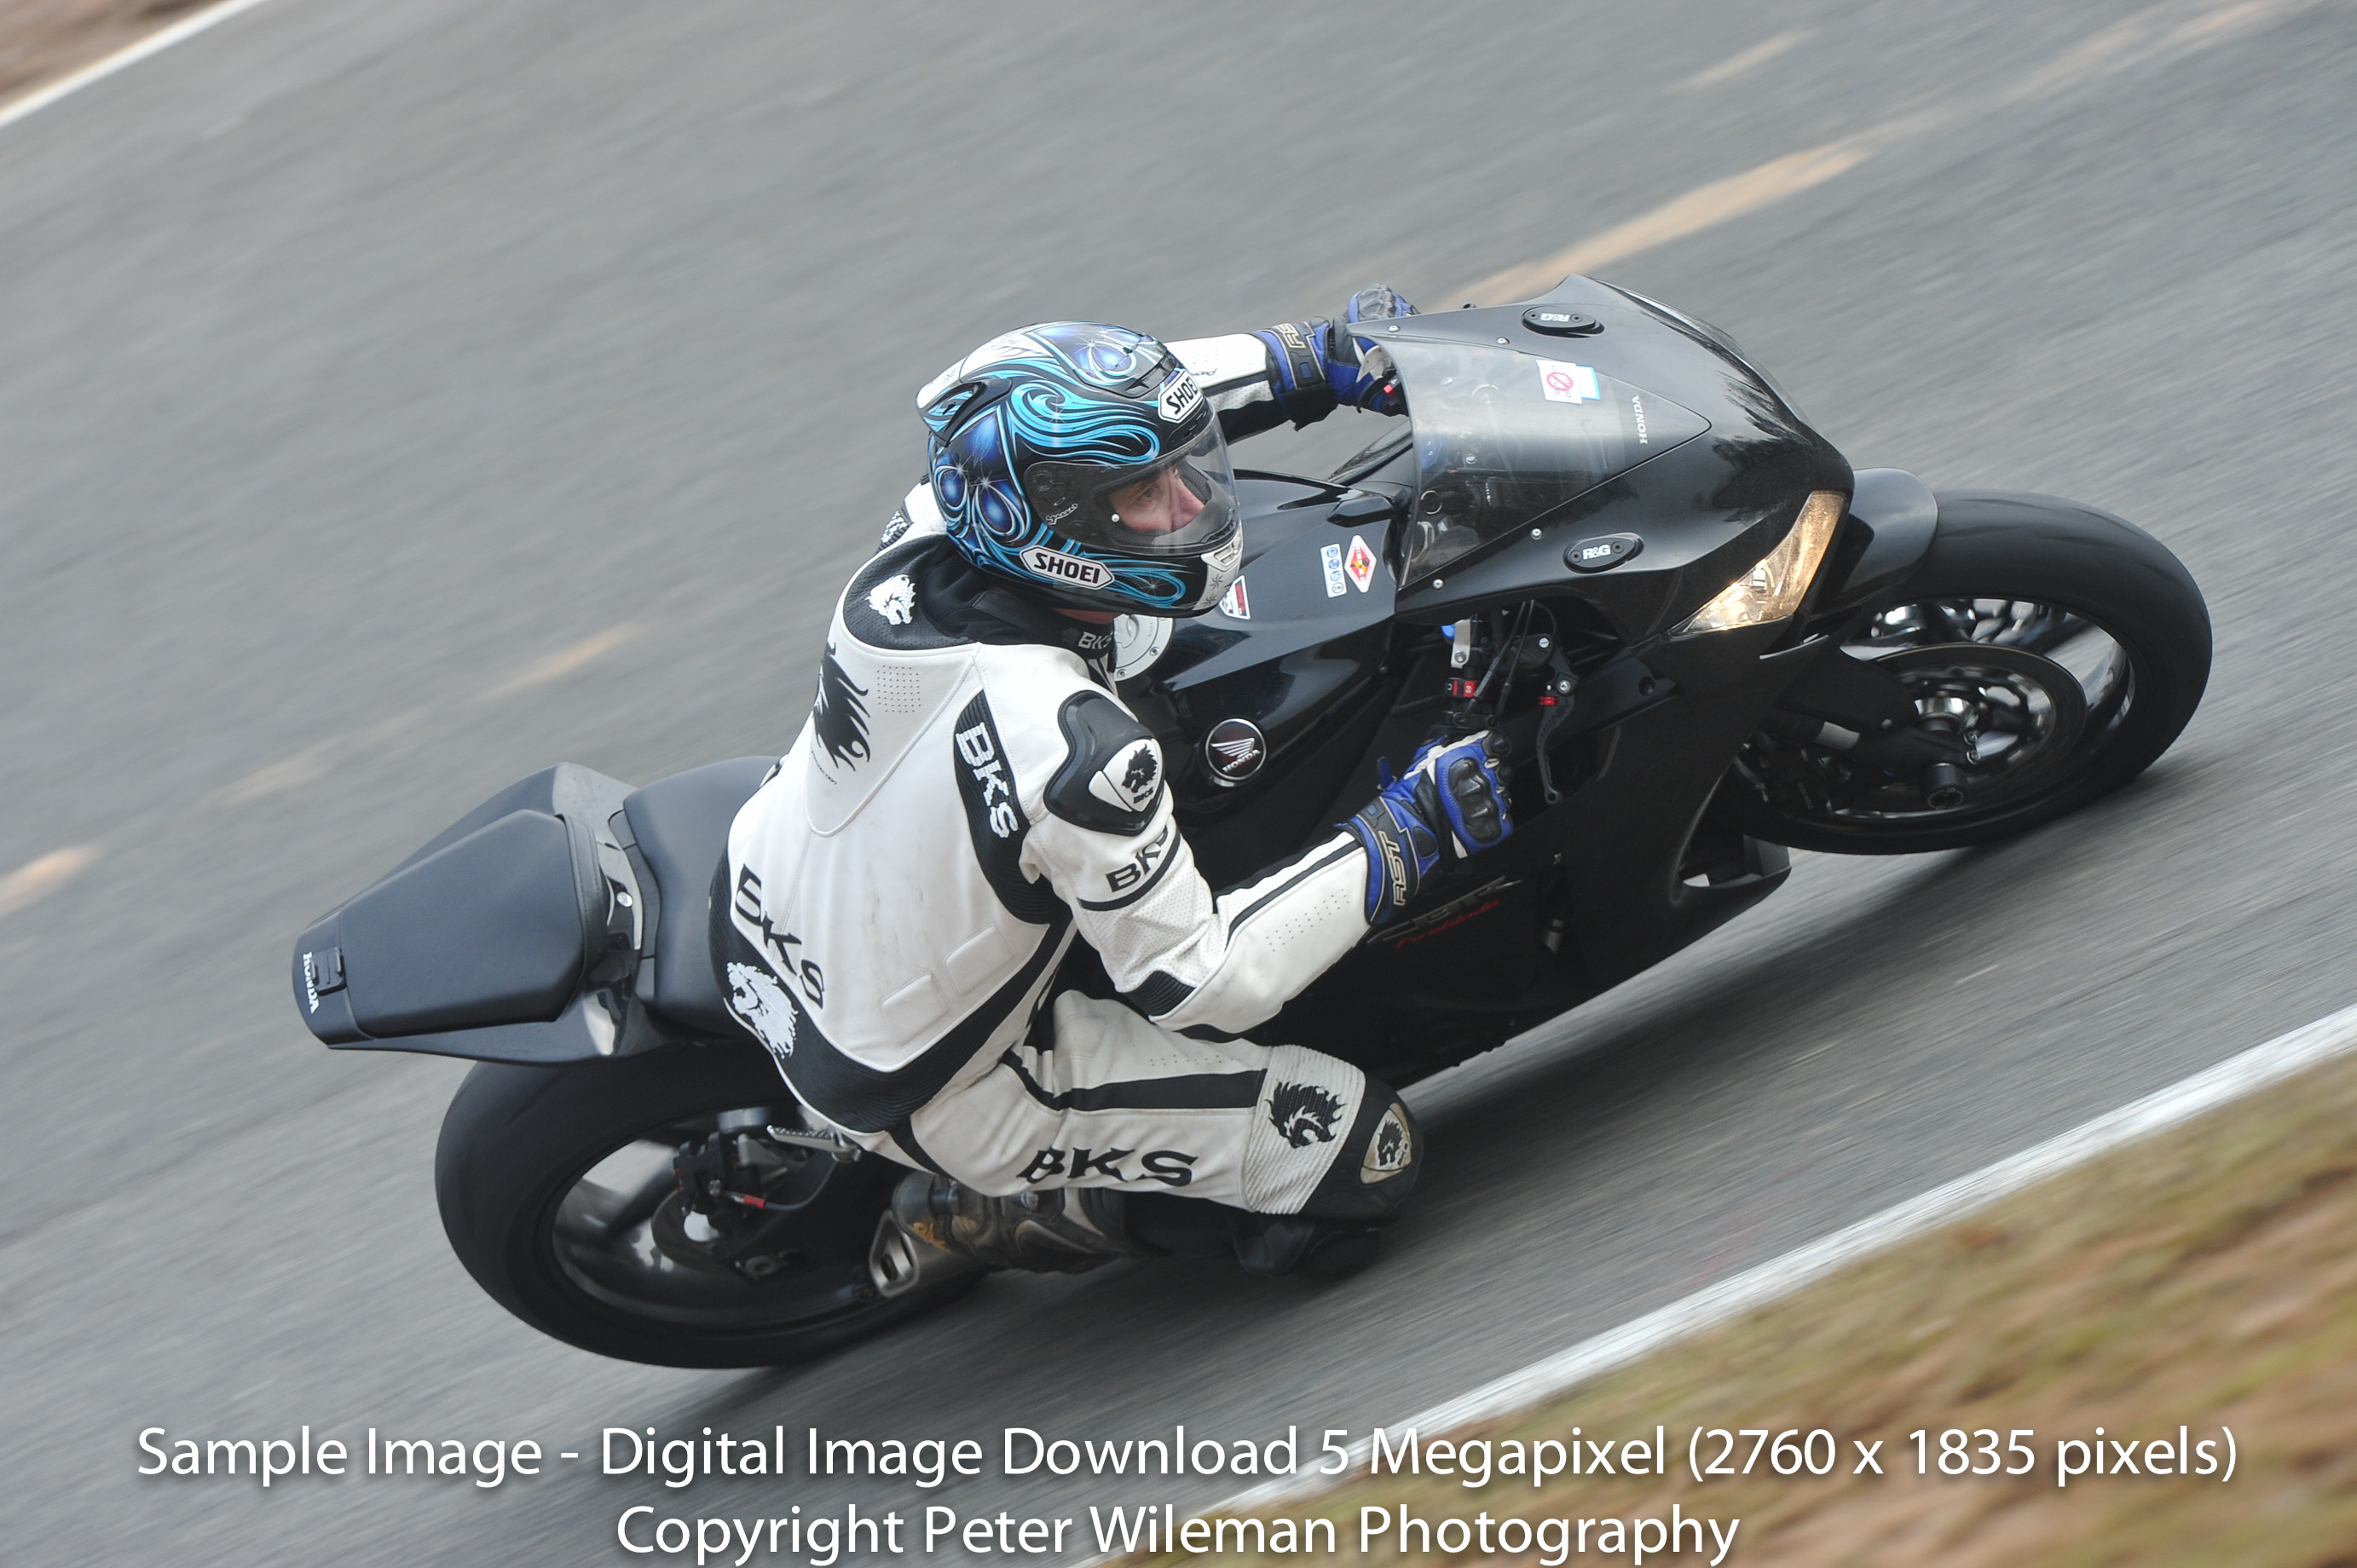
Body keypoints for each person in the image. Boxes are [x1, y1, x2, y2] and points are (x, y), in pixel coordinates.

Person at [716, 292, 1516, 1278]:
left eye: (1179, 472)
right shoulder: (1076, 746)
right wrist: (1414, 827)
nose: (1189, 505)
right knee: (1354, 1149)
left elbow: (1129, 409)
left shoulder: (931, 526)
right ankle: (1000, 1209)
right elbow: (1202, 981)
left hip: (759, 892)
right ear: (1051, 524)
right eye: (1146, 496)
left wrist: (1309, 357)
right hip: (939, 1081)